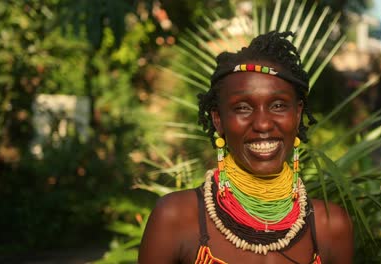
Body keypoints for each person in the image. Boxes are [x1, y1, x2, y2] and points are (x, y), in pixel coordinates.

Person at [139, 31, 353, 263]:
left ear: (298, 113)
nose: (262, 124)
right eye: (242, 108)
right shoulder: (176, 218)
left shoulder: (330, 227)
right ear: (218, 119)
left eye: (278, 105)